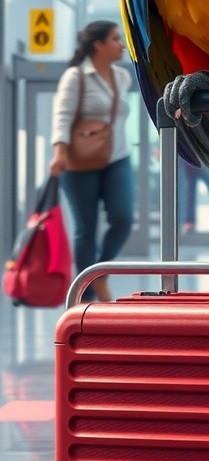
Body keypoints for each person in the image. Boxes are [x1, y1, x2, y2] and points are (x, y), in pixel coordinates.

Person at [49, 21, 134, 301]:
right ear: (98, 45)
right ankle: (85, 297)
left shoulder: (123, 77)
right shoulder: (76, 76)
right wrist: (60, 152)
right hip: (78, 162)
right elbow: (62, 116)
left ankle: (100, 274)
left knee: (123, 218)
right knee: (86, 230)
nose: (121, 44)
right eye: (115, 39)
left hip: (116, 157)